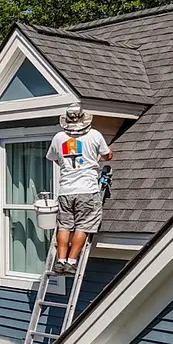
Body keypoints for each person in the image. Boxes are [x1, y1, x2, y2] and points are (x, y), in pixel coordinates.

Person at [45, 103, 112, 274]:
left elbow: (54, 158)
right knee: (83, 225)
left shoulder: (59, 138)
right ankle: (71, 262)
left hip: (66, 191)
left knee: (64, 226)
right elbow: (107, 156)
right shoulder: (94, 135)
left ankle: (60, 260)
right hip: (87, 190)